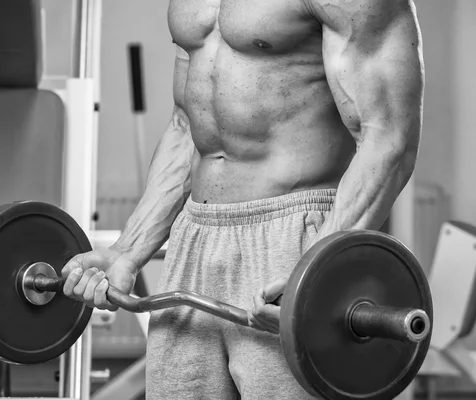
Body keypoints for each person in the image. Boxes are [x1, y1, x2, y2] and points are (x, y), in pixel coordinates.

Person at [62, 0, 424, 398]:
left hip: (293, 241)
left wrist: (317, 272)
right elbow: (187, 125)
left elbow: (388, 137)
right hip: (195, 238)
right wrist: (128, 251)